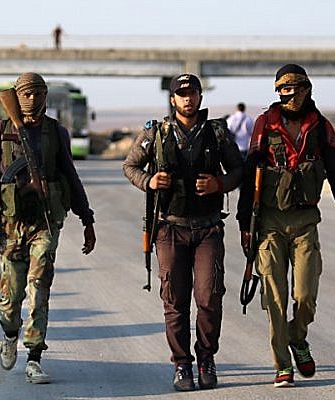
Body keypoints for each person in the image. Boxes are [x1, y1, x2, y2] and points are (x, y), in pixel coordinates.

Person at [237, 63, 335, 388]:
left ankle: (297, 336)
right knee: (274, 296)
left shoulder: (320, 127)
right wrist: (243, 222)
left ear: (306, 89)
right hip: (269, 222)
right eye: (282, 90)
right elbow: (250, 173)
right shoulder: (266, 124)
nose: (287, 95)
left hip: (306, 221)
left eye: (293, 88)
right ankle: (282, 364)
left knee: (305, 295)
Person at [0, 72, 96, 384]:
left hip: (45, 221)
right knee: (11, 298)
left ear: (45, 96)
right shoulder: (2, 130)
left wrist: (87, 218)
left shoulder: (56, 132)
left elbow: (71, 173)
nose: (31, 99)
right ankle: (10, 334)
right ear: (16, 95)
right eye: (25, 93)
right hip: (11, 224)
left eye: (38, 93)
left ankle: (35, 356)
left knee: (39, 288)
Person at [123, 73, 243, 391]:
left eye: (193, 93)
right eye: (182, 94)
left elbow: (239, 170)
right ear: (173, 99)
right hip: (170, 228)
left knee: (209, 298)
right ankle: (181, 365)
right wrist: (149, 182)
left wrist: (220, 183)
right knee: (175, 302)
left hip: (207, 229)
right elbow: (130, 166)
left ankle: (206, 358)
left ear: (201, 97)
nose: (188, 99)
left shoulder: (217, 132)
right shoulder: (157, 132)